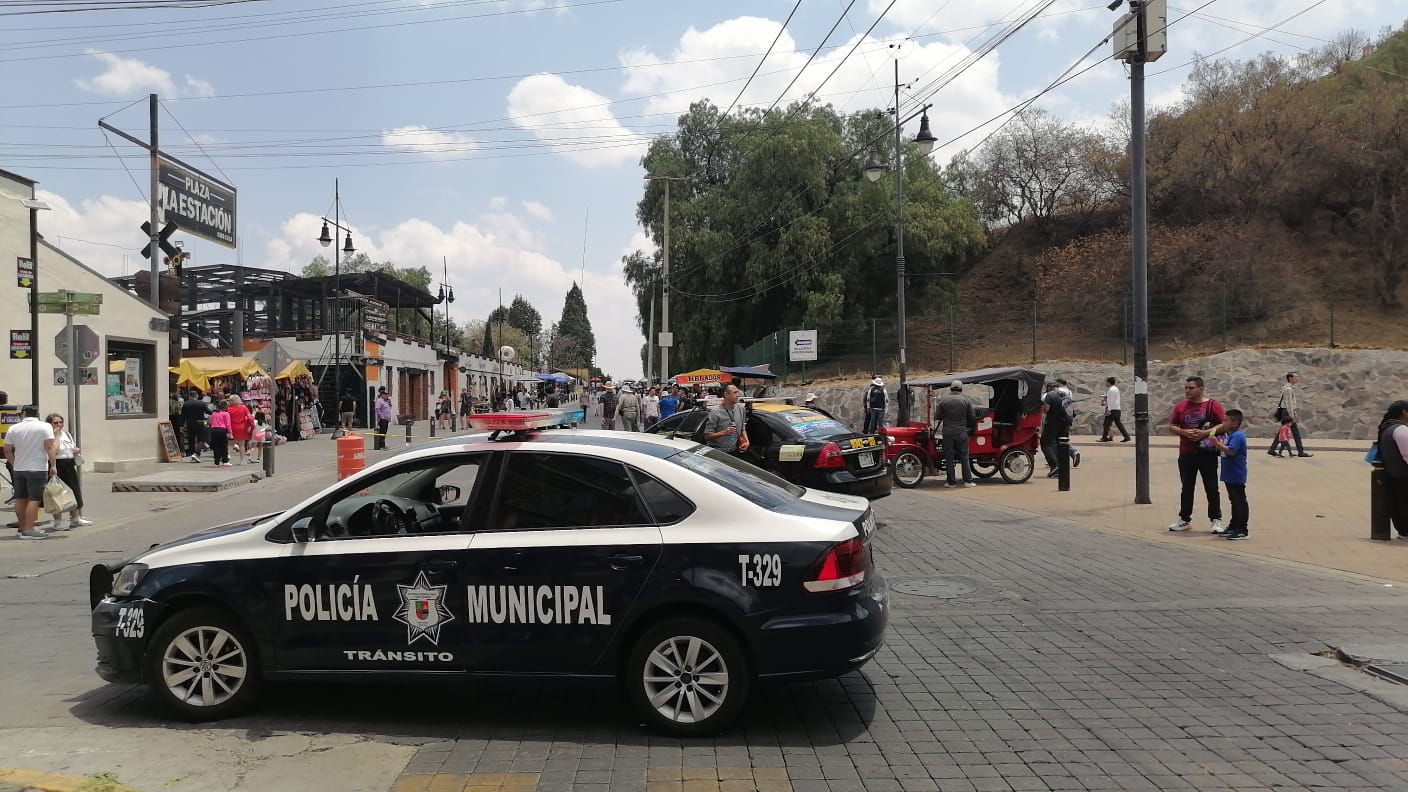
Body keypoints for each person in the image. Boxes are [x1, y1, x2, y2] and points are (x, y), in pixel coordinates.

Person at [1167, 375, 1226, 533]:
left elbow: (1224, 424)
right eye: (1185, 388)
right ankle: (1184, 519)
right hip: (1186, 452)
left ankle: (1216, 520)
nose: (1187, 391)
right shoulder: (1180, 406)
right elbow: (1171, 426)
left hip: (1207, 452)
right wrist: (1183, 432)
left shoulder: (1213, 405)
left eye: (1191, 388)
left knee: (1211, 487)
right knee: (1187, 487)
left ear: (1201, 388)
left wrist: (1206, 433)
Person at [3, 405, 56, 539]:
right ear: (37, 413)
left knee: (20, 498)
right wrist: (53, 465)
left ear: (23, 414)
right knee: (34, 499)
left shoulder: (14, 428)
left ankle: (22, 527)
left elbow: (7, 450)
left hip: (19, 468)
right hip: (37, 468)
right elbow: (49, 447)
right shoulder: (45, 427)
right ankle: (29, 529)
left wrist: (15, 463)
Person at [46, 413, 91, 531]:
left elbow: (71, 446)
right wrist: (55, 435)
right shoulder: (49, 436)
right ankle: (57, 521)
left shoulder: (67, 435)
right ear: (49, 424)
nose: (59, 425)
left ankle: (75, 518)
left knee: (73, 490)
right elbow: (53, 451)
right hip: (56, 465)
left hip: (69, 463)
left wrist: (75, 450)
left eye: (61, 422)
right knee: (56, 493)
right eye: (55, 422)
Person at [1209, 409, 1249, 540]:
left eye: (1226, 420)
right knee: (1234, 501)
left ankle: (1242, 529)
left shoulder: (1238, 435)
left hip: (1236, 473)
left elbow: (1231, 451)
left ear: (1235, 423)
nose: (1223, 423)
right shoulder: (1231, 434)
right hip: (1229, 473)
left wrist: (1217, 443)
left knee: (1239, 501)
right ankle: (1233, 526)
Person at [934, 380, 977, 488]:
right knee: (964, 457)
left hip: (948, 433)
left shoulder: (944, 401)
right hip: (962, 432)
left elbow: (937, 416)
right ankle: (968, 481)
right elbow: (972, 417)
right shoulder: (965, 401)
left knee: (949, 457)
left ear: (951, 388)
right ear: (961, 389)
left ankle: (951, 482)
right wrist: (971, 429)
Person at [1378, 401, 1408, 538]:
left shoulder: (1387, 427)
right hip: (1403, 474)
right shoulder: (1401, 430)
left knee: (1398, 504)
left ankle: (1403, 532)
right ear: (1404, 412)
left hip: (1394, 474)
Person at [1269, 371, 1312, 458]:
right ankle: (1300, 451)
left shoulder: (1287, 388)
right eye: (1295, 377)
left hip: (1286, 411)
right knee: (1295, 432)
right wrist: (1291, 416)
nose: (1297, 378)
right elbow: (1289, 403)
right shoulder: (1288, 389)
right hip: (1287, 412)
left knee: (1283, 431)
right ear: (1290, 378)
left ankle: (1272, 449)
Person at [704, 384, 750, 456]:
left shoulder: (741, 409)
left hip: (734, 450)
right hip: (718, 452)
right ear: (726, 394)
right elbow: (707, 436)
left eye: (738, 392)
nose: (738, 395)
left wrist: (746, 441)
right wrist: (723, 433)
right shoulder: (715, 412)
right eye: (735, 393)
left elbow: (742, 428)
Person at [1040, 382, 1072, 477]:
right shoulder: (1065, 395)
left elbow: (1046, 409)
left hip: (1052, 423)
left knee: (1045, 443)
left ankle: (1054, 465)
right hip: (1065, 424)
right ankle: (1063, 467)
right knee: (1061, 444)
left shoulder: (1050, 395)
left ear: (1050, 388)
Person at [181, 389, 211, 462]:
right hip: (200, 422)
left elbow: (183, 416)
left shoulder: (186, 404)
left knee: (191, 439)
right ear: (197, 395)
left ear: (189, 396)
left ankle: (192, 454)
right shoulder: (201, 403)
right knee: (201, 438)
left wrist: (181, 425)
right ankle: (197, 453)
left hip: (190, 423)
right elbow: (209, 412)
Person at [1098, 376, 1131, 442]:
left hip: (1112, 409)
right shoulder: (1116, 389)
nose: (1106, 384)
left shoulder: (1111, 390)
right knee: (1119, 424)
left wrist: (1109, 410)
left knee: (1106, 424)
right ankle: (1126, 437)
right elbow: (1113, 399)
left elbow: (1111, 400)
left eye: (1106, 382)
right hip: (1117, 409)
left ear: (1109, 383)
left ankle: (1104, 438)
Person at [227, 395, 253, 465]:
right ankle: (242, 461)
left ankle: (226, 459)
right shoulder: (244, 407)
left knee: (230, 445)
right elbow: (249, 417)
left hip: (232, 427)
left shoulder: (228, 408)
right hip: (242, 427)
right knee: (242, 445)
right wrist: (251, 425)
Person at [208, 400, 233, 467]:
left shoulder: (214, 413)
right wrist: (230, 433)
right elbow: (228, 424)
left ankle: (216, 462)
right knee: (224, 446)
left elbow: (210, 422)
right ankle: (225, 461)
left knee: (216, 446)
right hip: (222, 430)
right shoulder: (226, 414)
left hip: (213, 430)